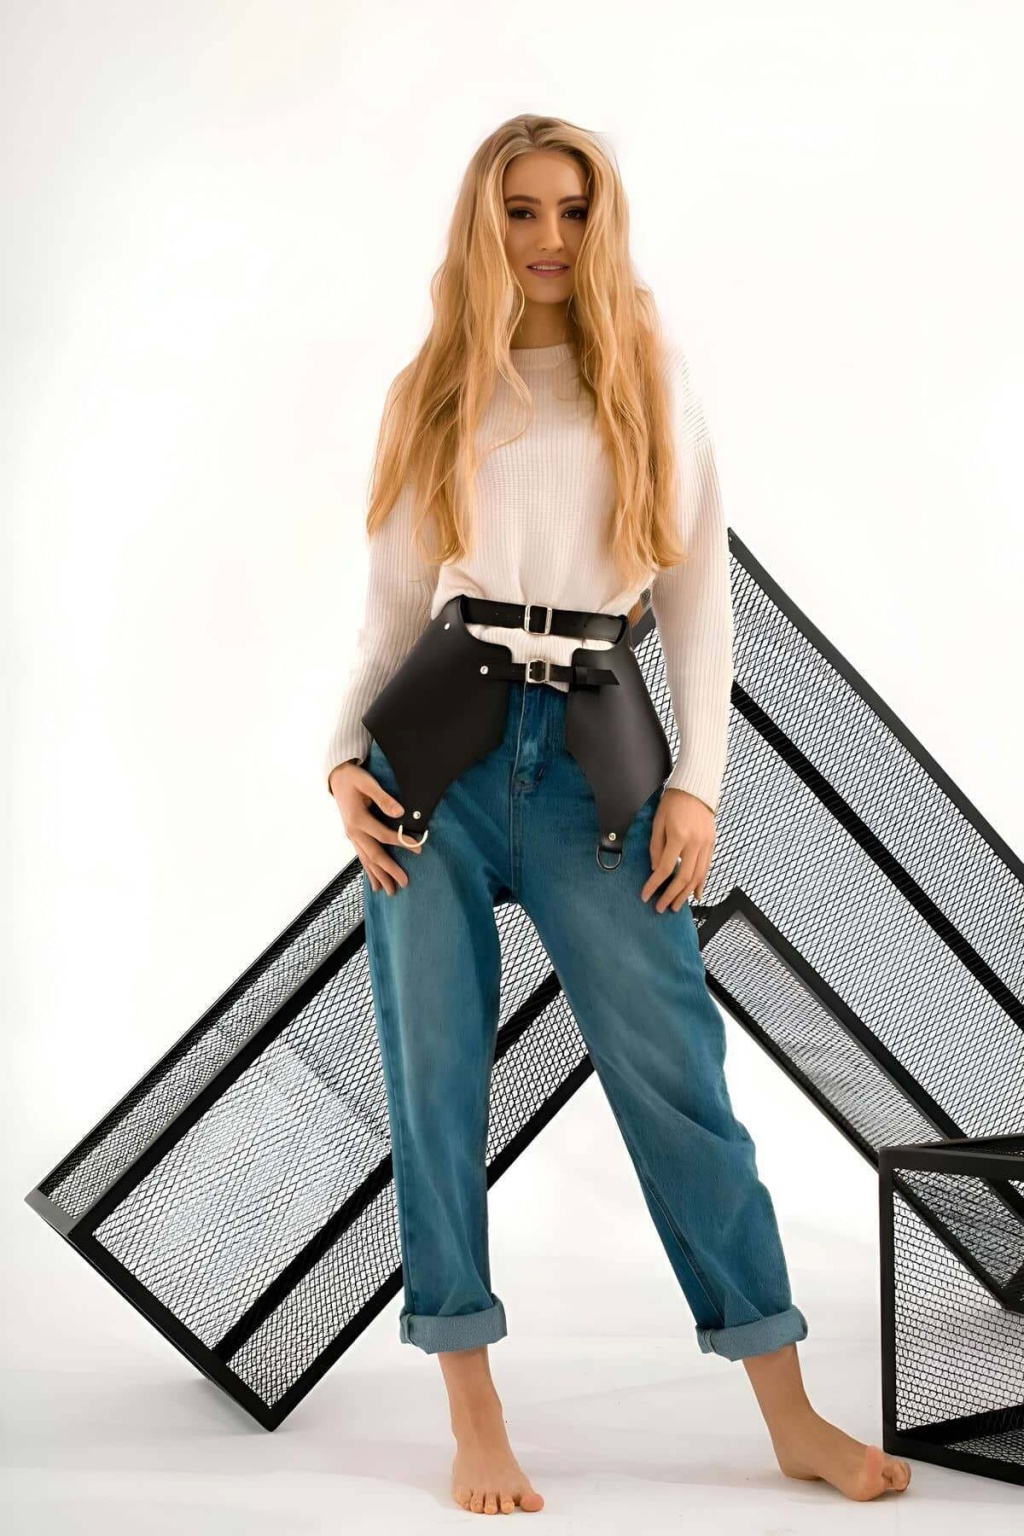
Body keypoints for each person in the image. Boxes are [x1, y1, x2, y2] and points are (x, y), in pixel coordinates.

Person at [324, 114, 912, 1516]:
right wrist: (344, 760)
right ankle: (473, 1406)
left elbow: (699, 592)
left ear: (603, 223)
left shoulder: (648, 373)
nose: (547, 237)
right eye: (521, 211)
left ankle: (787, 1409)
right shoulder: (432, 389)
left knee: (678, 1081)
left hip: (596, 756)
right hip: (436, 762)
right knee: (434, 1079)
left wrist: (698, 781)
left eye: (572, 210)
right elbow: (392, 605)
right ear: (484, 225)